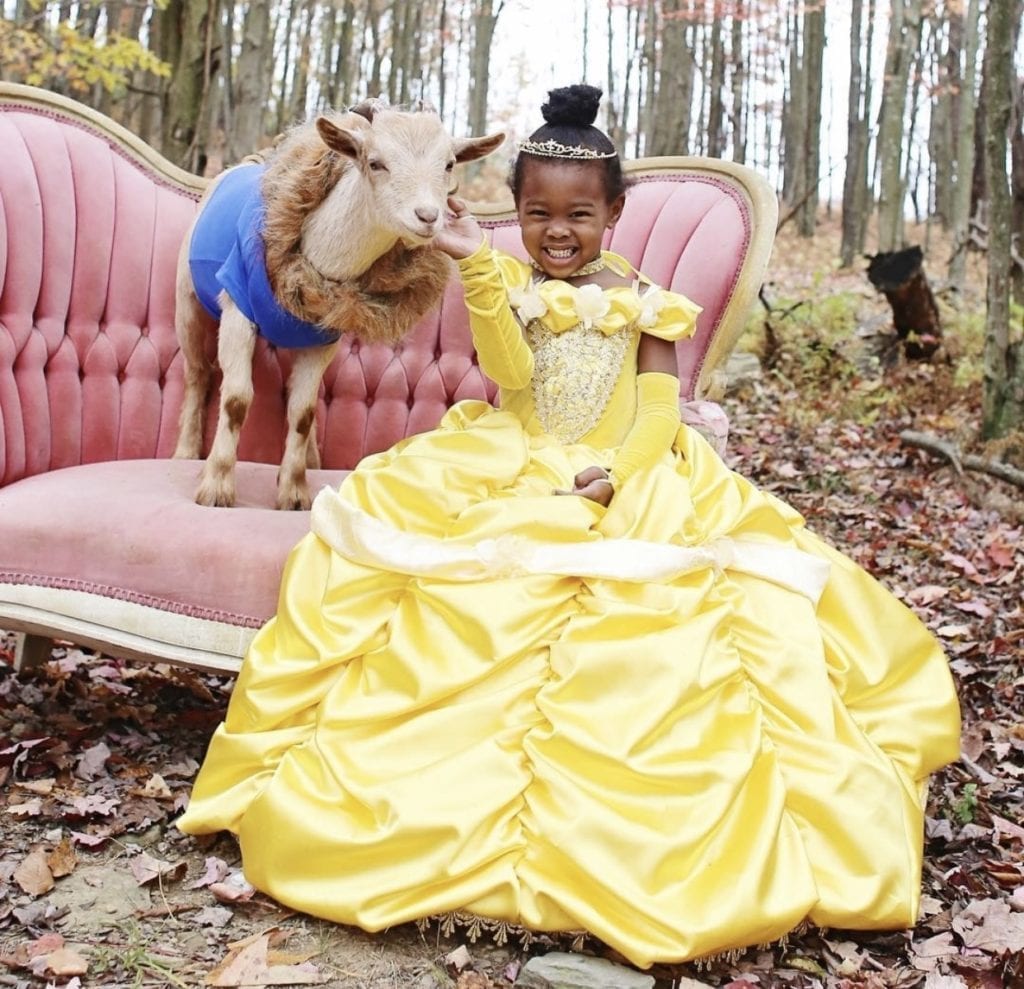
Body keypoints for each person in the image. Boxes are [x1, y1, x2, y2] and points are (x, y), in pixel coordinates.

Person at [177, 85, 960, 968]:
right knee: (456, 591)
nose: (558, 231)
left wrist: (620, 474)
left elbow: (661, 408)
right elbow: (510, 374)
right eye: (538, 212)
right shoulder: (506, 278)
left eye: (579, 215)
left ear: (614, 213)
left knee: (683, 614)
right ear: (516, 212)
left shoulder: (647, 302)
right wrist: (478, 266)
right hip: (516, 453)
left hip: (627, 467)